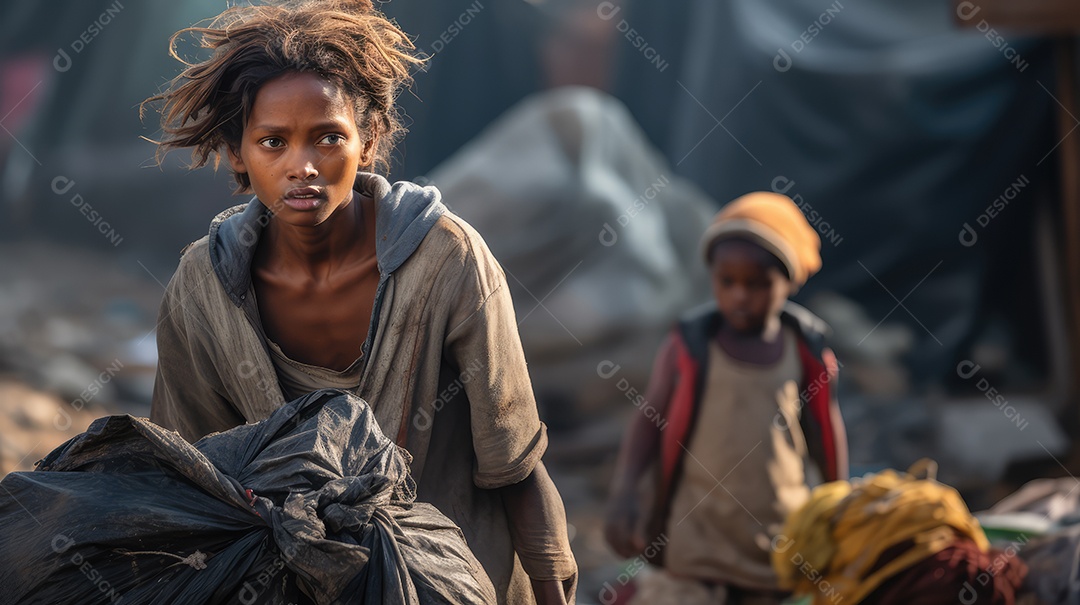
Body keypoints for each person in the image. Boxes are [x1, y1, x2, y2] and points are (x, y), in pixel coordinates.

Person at [142, 2, 576, 603]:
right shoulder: (204, 288)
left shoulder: (445, 260)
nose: (304, 166)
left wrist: (552, 586)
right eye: (273, 142)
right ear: (238, 154)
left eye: (328, 138)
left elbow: (514, 459)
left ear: (368, 141)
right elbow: (185, 473)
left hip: (451, 581)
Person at [604, 192, 848, 605]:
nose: (739, 296)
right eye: (727, 282)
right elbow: (649, 419)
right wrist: (625, 491)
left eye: (757, 284)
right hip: (696, 532)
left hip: (775, 533)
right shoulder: (691, 345)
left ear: (788, 282)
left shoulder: (804, 350)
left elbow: (825, 430)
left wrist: (839, 506)